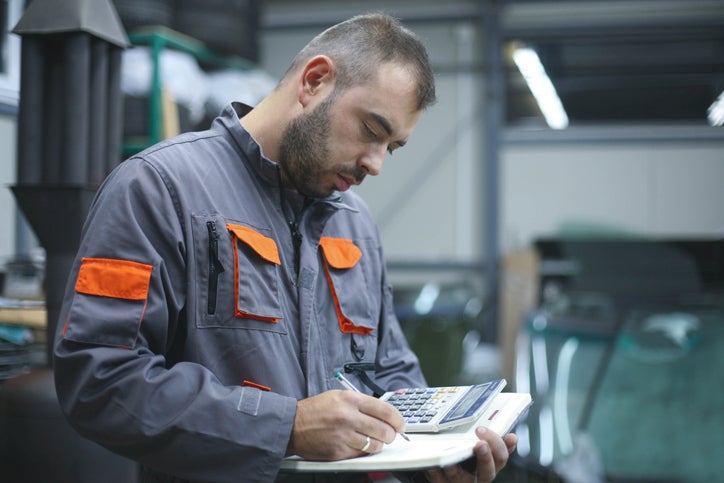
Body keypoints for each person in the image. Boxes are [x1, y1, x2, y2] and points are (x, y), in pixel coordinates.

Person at [53, 13, 517, 483]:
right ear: (314, 81)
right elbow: (100, 379)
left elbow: (388, 371)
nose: (375, 164)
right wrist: (285, 426)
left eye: (391, 147)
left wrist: (437, 457)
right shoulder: (157, 189)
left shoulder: (354, 224)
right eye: (372, 131)